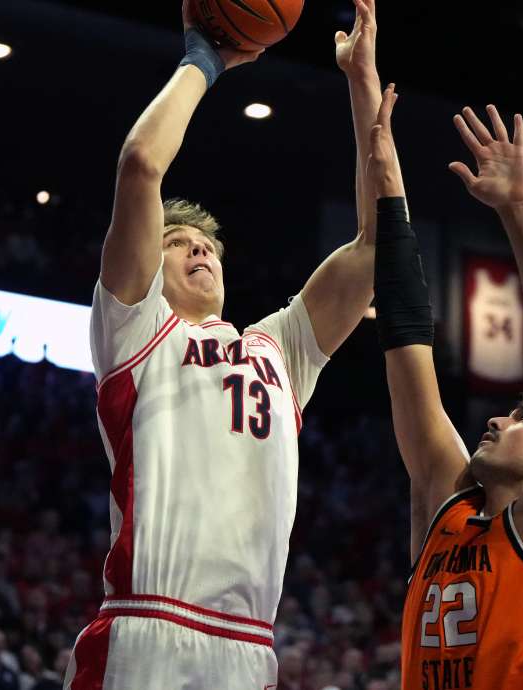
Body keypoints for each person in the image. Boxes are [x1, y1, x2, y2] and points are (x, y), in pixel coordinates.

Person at [64, 1, 386, 689]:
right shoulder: (136, 332)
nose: (199, 250)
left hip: (247, 649)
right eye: (178, 243)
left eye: (206, 243)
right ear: (151, 263)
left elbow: (379, 243)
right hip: (145, 632)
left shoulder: (280, 349)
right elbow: (142, 164)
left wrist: (361, 80)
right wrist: (204, 60)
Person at [367, 92, 523, 687]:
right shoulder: (444, 512)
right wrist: (386, 175)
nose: (499, 421)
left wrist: (519, 212)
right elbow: (404, 339)